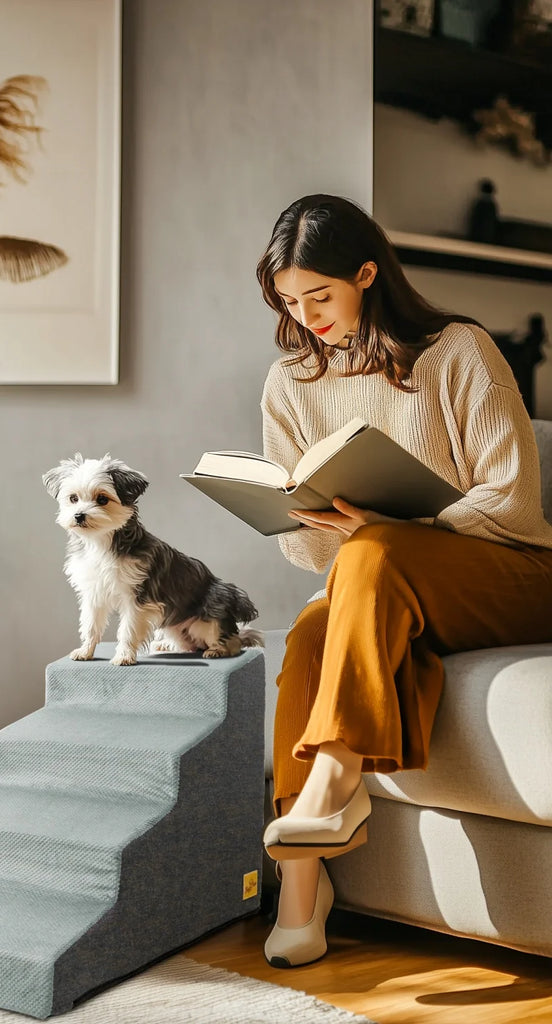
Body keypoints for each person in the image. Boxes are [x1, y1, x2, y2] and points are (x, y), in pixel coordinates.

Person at [255, 194, 552, 969]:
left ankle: (336, 780)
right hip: (381, 579)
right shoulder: (290, 383)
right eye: (289, 301)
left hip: (511, 575)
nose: (306, 317)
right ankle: (301, 892)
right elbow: (308, 554)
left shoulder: (458, 351)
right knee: (313, 632)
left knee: (377, 551)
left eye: (320, 296)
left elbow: (512, 500)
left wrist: (403, 527)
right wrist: (312, 523)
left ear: (366, 274)